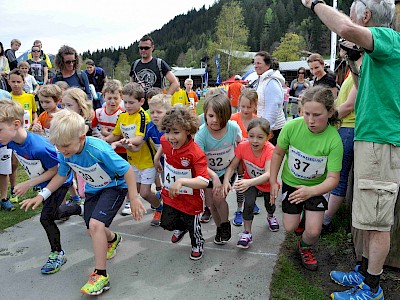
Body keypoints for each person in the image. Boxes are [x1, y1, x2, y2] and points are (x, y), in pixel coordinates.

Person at [301, 0, 399, 298]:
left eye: (355, 9)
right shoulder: (376, 52)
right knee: (369, 216)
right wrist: (355, 63)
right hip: (371, 139)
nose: (351, 15)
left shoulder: (388, 38)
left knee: (378, 220)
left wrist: (314, 3)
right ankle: (363, 272)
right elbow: (362, 86)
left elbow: (344, 26)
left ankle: (372, 288)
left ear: (365, 15)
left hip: (381, 142)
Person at [21, 109, 145, 295]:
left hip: (114, 187)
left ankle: (101, 275)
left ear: (81, 137)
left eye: (65, 146)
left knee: (95, 225)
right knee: (92, 230)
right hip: (93, 190)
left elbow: (126, 169)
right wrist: (42, 195)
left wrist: (134, 198)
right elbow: (61, 176)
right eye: (58, 146)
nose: (62, 151)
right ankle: (114, 239)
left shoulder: (97, 149)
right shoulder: (64, 153)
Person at [1, 99, 81, 274]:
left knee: (45, 218)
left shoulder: (39, 147)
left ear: (16, 124)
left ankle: (57, 253)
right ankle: (76, 209)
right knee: (54, 213)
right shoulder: (9, 138)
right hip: (42, 181)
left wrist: (28, 183)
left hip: (59, 182)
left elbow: (56, 171)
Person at [270, 86, 343, 271]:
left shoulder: (334, 140)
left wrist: (311, 191)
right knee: (289, 227)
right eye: (306, 113)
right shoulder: (291, 127)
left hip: (317, 188)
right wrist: (273, 181)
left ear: (330, 112)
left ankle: (304, 247)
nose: (311, 120)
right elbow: (278, 153)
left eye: (317, 115)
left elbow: (334, 178)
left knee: (313, 232)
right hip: (292, 184)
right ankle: (302, 217)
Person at [154, 106, 209, 260]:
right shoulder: (166, 140)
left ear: (188, 131)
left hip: (191, 198)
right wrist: (157, 158)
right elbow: (163, 145)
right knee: (166, 223)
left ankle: (197, 243)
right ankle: (181, 228)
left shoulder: (195, 153)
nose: (171, 137)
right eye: (168, 131)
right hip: (172, 193)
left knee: (193, 225)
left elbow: (204, 181)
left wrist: (182, 181)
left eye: (176, 132)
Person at [105, 83, 162, 225]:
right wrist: (101, 142)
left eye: (131, 102)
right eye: (125, 102)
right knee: (134, 190)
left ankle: (160, 208)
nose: (127, 105)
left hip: (147, 160)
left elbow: (139, 138)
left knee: (144, 193)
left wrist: (124, 141)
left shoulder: (143, 116)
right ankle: (156, 201)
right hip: (132, 160)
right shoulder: (123, 116)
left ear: (141, 101)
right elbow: (114, 135)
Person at [194, 90, 242, 244]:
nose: (214, 120)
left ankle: (225, 223)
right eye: (210, 116)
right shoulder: (201, 134)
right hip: (207, 172)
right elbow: (199, 162)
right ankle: (219, 227)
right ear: (205, 115)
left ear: (227, 115)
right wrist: (213, 177)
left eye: (219, 116)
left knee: (218, 198)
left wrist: (234, 169)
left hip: (227, 170)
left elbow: (240, 148)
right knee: (210, 204)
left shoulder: (233, 128)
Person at [323, 48, 362, 234]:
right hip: (343, 127)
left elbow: (349, 105)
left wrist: (326, 119)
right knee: (334, 174)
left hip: (349, 127)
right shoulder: (352, 68)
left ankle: (325, 221)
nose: (341, 49)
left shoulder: (361, 67)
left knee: (338, 176)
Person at [223, 118, 278, 249]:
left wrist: (248, 182)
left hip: (266, 184)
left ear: (268, 137)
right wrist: (226, 180)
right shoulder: (243, 146)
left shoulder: (270, 150)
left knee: (269, 204)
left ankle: (270, 216)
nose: (254, 141)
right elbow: (232, 167)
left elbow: (268, 174)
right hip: (250, 182)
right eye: (251, 136)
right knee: (248, 204)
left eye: (260, 137)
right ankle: (247, 232)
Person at [230, 88, 259, 226]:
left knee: (253, 184)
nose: (246, 110)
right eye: (242, 106)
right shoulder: (234, 119)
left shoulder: (258, 121)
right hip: (239, 159)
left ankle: (251, 203)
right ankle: (239, 209)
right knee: (241, 184)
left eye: (249, 107)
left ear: (255, 106)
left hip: (253, 161)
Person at [129, 35, 179, 110]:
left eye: (146, 48)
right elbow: (131, 86)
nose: (143, 50)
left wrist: (166, 98)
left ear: (152, 48)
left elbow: (175, 83)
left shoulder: (159, 63)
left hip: (156, 107)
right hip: (139, 107)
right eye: (141, 48)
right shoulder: (135, 64)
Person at [254, 51, 286, 146]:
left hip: (273, 130)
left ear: (267, 65)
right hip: (264, 126)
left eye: (259, 63)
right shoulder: (263, 80)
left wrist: (266, 130)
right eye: (255, 63)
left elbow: (272, 108)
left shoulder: (271, 82)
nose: (256, 66)